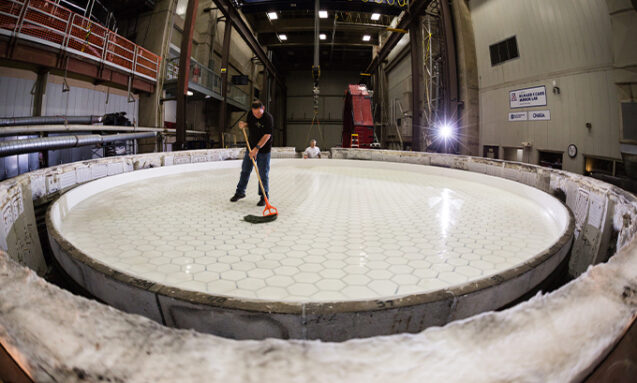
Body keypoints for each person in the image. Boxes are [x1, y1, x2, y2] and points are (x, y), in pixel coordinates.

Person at [230, 100, 273, 206]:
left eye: (258, 113)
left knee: (263, 174)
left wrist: (256, 149)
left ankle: (264, 196)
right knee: (245, 170)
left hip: (263, 150)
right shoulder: (251, 114)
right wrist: (244, 124)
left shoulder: (268, 118)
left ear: (263, 109)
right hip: (251, 147)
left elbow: (267, 136)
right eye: (254, 113)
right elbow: (250, 124)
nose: (256, 115)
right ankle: (240, 192)